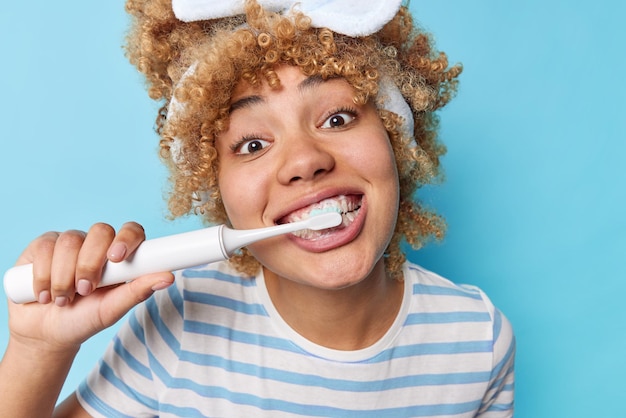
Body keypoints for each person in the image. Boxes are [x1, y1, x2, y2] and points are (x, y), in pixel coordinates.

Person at [0, 0, 515, 416]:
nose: (305, 161)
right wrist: (37, 351)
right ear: (214, 187)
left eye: (337, 118)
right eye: (252, 145)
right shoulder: (180, 321)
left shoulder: (477, 339)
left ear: (397, 138)